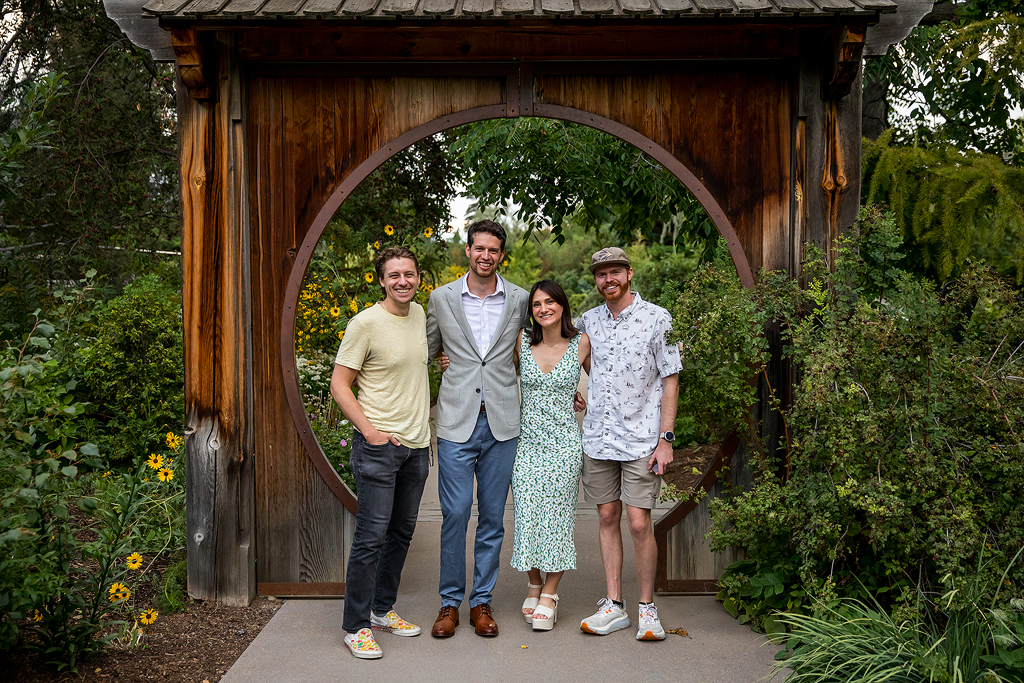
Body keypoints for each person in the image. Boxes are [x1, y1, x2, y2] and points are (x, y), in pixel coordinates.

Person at [425, 220, 530, 638]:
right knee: (454, 513)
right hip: (455, 421)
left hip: (503, 422)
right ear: (467, 251)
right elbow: (428, 351)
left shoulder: (520, 299)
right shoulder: (441, 298)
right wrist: (441, 363)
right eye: (479, 248)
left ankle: (481, 602)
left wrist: (566, 391)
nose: (486, 255)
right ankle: (449, 602)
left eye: (494, 250)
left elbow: (537, 349)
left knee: (492, 518)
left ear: (501, 255)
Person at [331, 246, 431, 660]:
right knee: (371, 538)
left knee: (401, 533)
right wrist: (369, 432)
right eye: (394, 275)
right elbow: (340, 384)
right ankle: (355, 627)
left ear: (418, 278)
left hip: (417, 447)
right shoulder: (365, 323)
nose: (402, 281)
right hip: (379, 449)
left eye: (409, 274)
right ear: (381, 280)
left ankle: (381, 609)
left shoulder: (420, 315)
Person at [576, 246, 681, 642]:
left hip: (642, 440)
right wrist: (582, 392)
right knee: (606, 518)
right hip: (600, 438)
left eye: (615, 271)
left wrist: (665, 439)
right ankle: (614, 605)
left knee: (638, 523)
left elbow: (670, 377)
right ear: (596, 279)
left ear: (629, 273)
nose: (609, 279)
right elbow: (578, 362)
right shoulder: (589, 321)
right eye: (602, 274)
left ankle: (647, 608)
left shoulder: (659, 318)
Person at [510, 280, 591, 631]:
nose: (543, 309)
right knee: (527, 513)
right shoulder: (521, 343)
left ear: (562, 306)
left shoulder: (581, 343)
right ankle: (533, 582)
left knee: (556, 517)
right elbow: (491, 372)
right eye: (537, 304)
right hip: (526, 443)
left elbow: (604, 384)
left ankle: (551, 592)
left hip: (564, 444)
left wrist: (584, 400)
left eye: (550, 302)